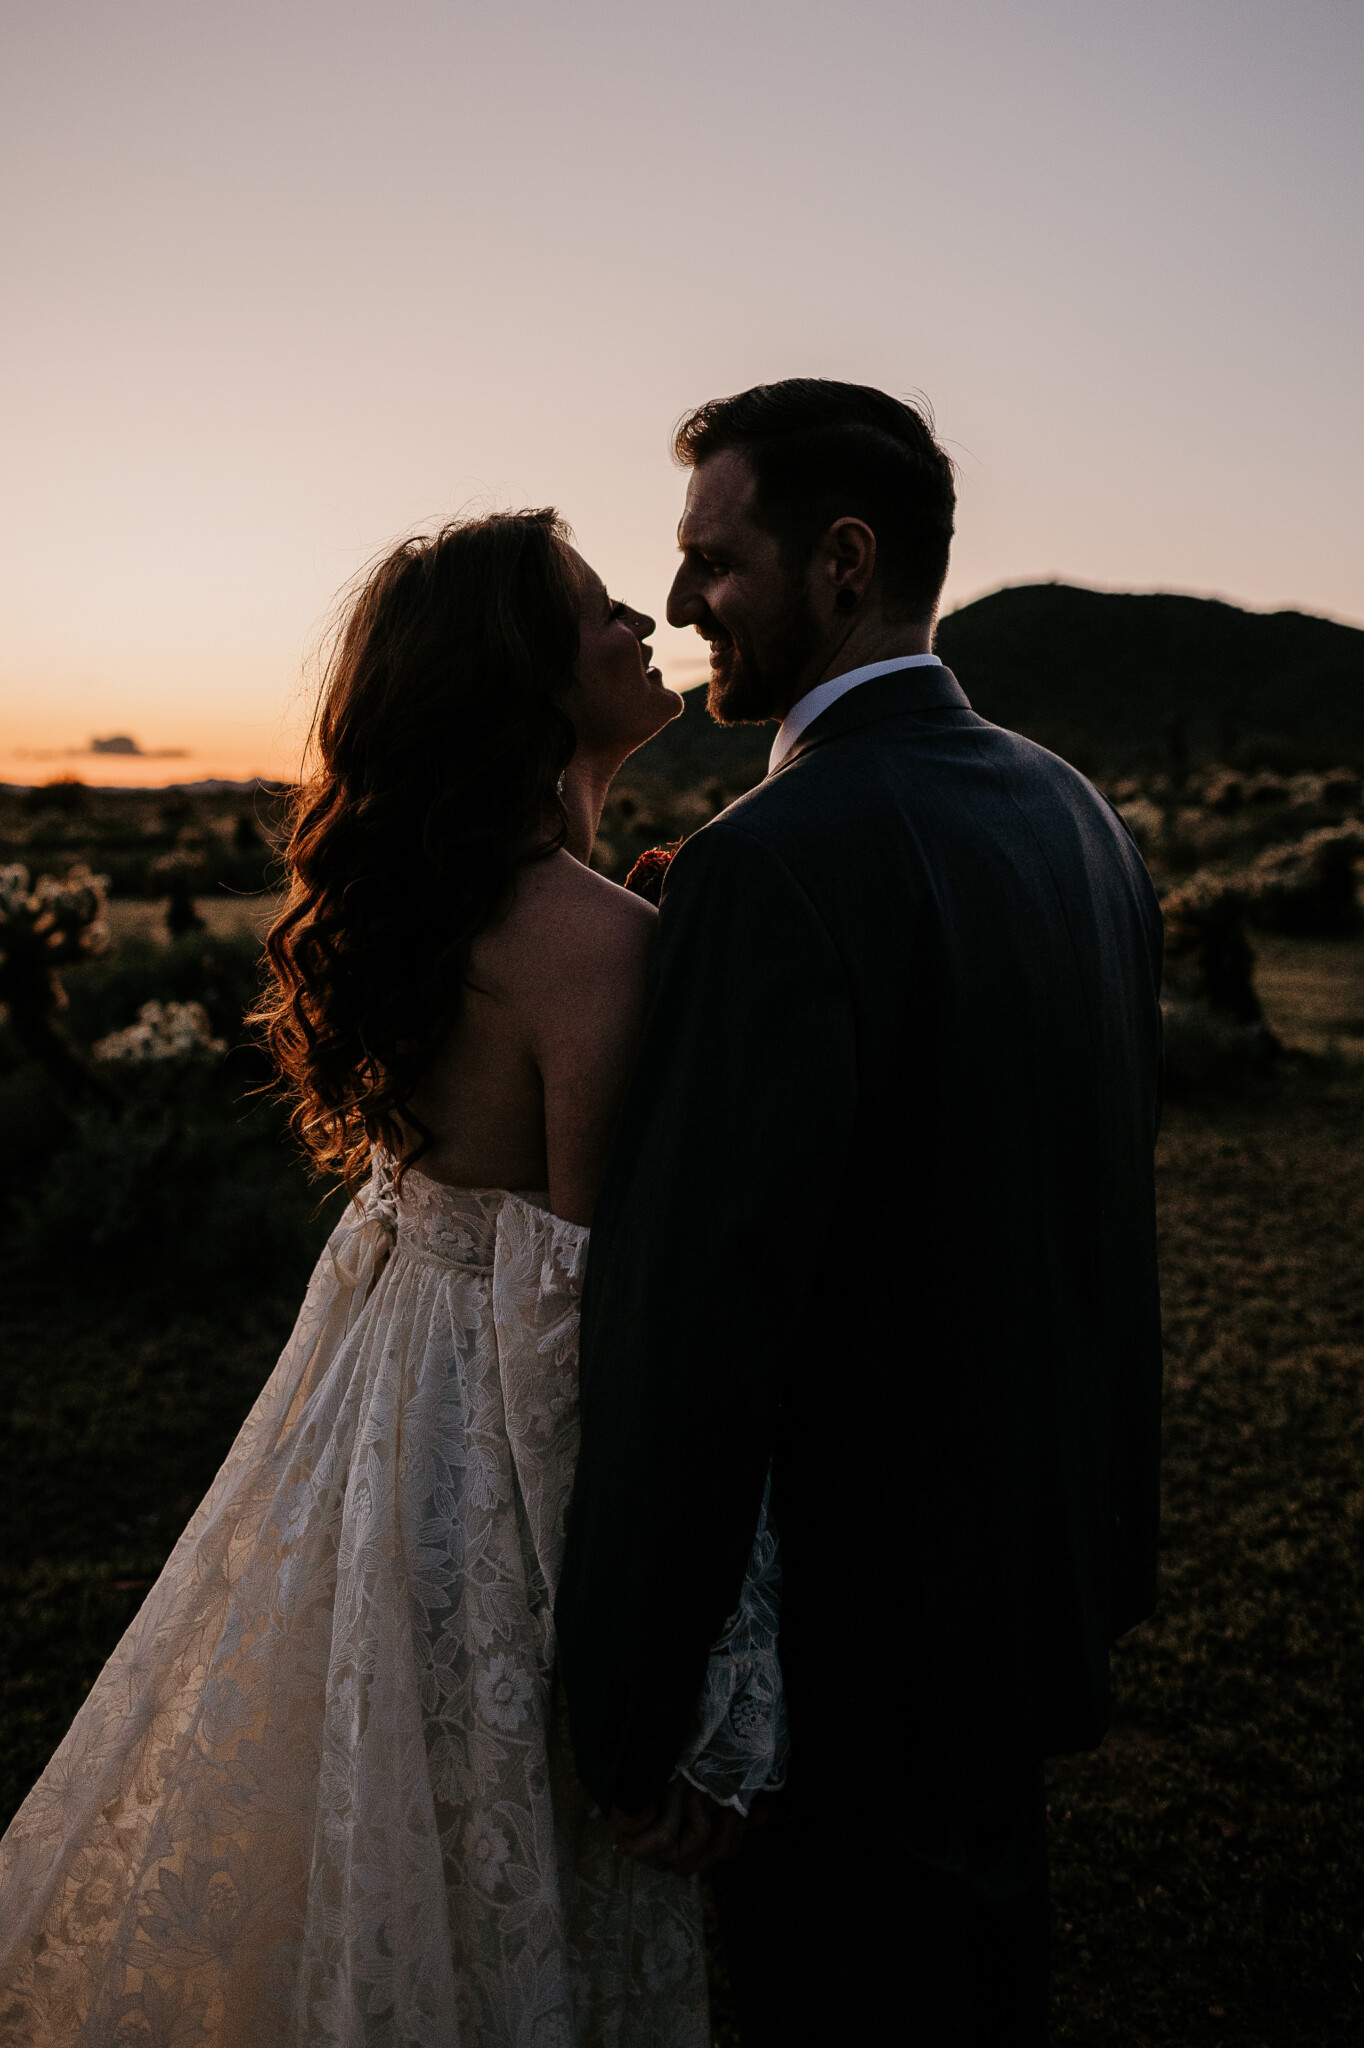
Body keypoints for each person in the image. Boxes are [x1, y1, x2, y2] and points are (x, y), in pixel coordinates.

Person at [0, 512, 785, 2048]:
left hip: (378, 1432)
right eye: (596, 607)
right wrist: (679, 1687)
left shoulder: (448, 906)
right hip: (494, 1472)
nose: (644, 619)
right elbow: (584, 1348)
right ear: (522, 676)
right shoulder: (596, 945)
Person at [555, 381, 1165, 2044]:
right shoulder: (1078, 819)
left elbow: (699, 1313)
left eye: (712, 560)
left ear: (840, 561)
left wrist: (634, 1703)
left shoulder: (775, 861)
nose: (679, 605)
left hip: (858, 1635)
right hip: (1027, 1582)